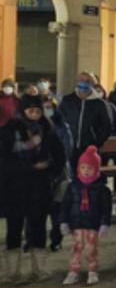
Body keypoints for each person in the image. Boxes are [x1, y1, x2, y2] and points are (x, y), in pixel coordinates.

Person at [1, 94, 66, 275]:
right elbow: (4, 160)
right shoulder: (8, 130)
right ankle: (13, 271)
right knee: (14, 227)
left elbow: (59, 156)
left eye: (38, 111)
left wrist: (50, 172)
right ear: (23, 110)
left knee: (38, 225)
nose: (35, 114)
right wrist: (30, 166)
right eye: (31, 110)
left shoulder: (47, 129)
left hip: (40, 186)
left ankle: (38, 269)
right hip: (14, 186)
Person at [58, 145, 111, 285]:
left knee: (91, 248)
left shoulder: (102, 190)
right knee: (76, 247)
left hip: (93, 223)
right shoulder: (73, 187)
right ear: (78, 168)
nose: (86, 171)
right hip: (76, 223)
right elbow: (65, 205)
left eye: (90, 168)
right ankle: (73, 271)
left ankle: (92, 271)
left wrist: (104, 223)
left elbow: (106, 209)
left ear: (96, 169)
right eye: (83, 167)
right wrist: (63, 221)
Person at [58, 73, 114, 165]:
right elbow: (59, 120)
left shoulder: (100, 104)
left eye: (87, 81)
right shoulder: (68, 100)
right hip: (69, 147)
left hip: (89, 148)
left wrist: (96, 143)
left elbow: (107, 126)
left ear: (93, 84)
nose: (83, 83)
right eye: (81, 80)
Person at [42, 95, 73, 252]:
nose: (46, 111)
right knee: (37, 208)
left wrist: (54, 168)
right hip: (40, 174)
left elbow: (66, 150)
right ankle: (33, 239)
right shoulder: (36, 126)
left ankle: (56, 239)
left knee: (57, 208)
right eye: (44, 107)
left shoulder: (62, 127)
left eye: (49, 107)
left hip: (59, 173)